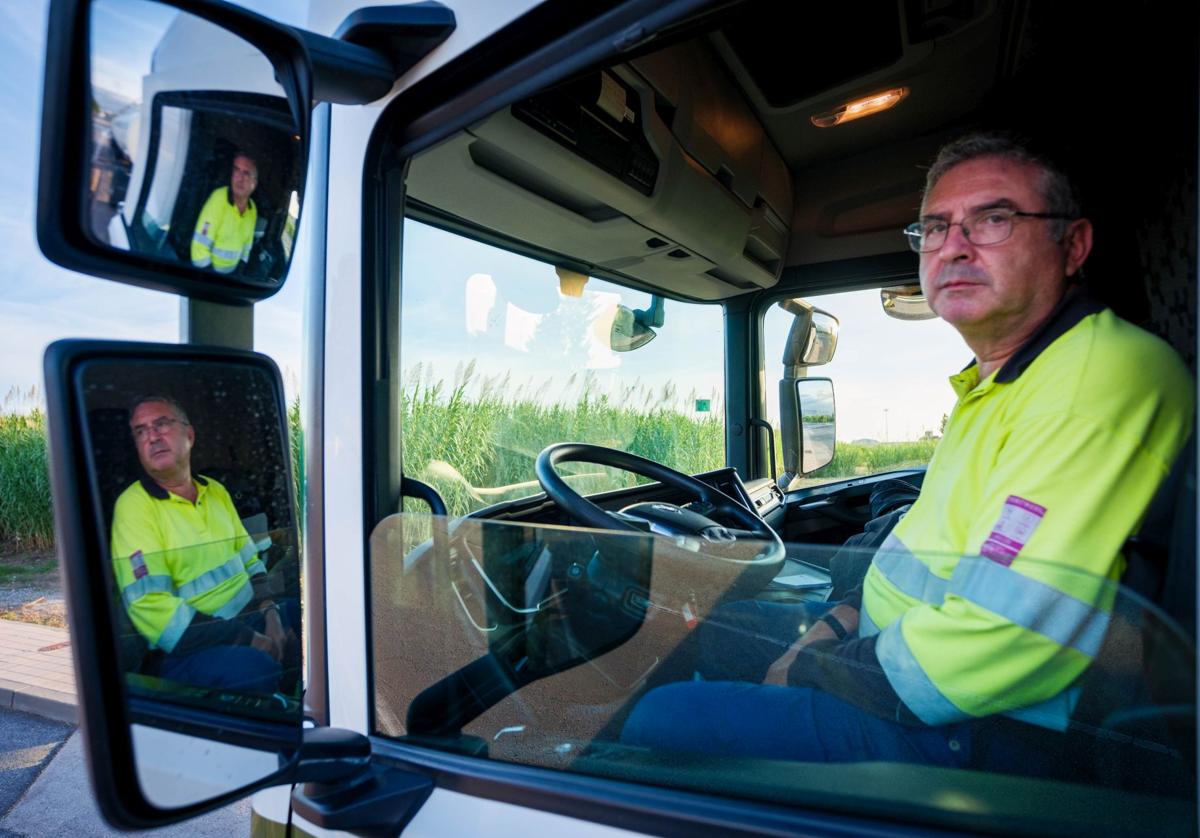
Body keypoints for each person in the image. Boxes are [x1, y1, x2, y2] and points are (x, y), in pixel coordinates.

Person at [621, 132, 1195, 768]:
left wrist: (811, 669)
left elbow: (1003, 640)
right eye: (935, 228)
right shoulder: (1002, 382)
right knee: (713, 633)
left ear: (1073, 246)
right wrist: (838, 618)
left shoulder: (1091, 381)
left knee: (659, 720)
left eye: (994, 219)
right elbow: (925, 555)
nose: (954, 245)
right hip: (904, 651)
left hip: (979, 722)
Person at [110, 395, 290, 693]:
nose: (152, 436)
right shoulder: (134, 507)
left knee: (310, 625)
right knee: (258, 670)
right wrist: (246, 638)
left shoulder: (215, 491)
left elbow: (250, 560)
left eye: (161, 424)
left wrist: (270, 611)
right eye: (140, 431)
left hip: (247, 617)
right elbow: (149, 604)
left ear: (189, 435)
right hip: (187, 647)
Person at [190, 153, 258, 274]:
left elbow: (247, 245)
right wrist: (212, 279)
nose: (239, 178)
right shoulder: (218, 198)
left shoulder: (252, 209)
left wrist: (241, 268)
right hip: (210, 275)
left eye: (246, 173)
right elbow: (199, 249)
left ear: (254, 183)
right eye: (236, 170)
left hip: (232, 276)